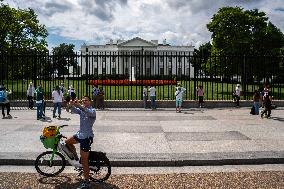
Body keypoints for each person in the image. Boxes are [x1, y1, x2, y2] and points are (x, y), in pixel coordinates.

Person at [65, 96, 96, 189]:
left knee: (85, 162)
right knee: (67, 142)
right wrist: (70, 104)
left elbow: (86, 111)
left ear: (90, 102)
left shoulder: (92, 111)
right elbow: (69, 110)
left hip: (86, 137)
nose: (84, 101)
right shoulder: (82, 110)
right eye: (83, 101)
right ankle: (77, 160)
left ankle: (87, 182)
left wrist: (78, 105)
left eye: (86, 100)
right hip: (79, 135)